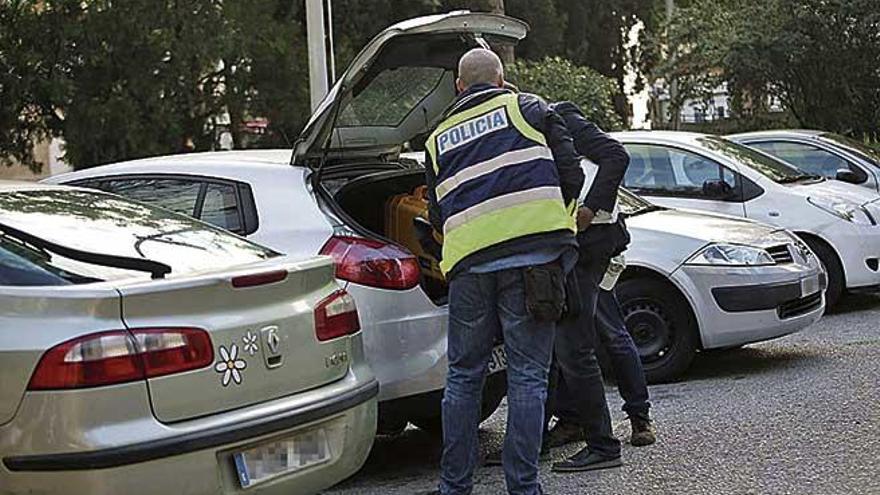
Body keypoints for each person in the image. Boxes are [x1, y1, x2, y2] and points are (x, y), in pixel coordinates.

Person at [424, 48, 584, 495]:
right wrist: (554, 225)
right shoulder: (530, 109)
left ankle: (453, 487)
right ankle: (523, 487)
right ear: (501, 79)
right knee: (528, 376)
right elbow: (571, 175)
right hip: (533, 262)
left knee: (463, 376)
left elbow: (437, 215)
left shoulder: (437, 139)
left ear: (459, 86)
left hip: (469, 267)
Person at [542, 106, 656, 453]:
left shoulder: (556, 115)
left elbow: (615, 156)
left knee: (606, 332)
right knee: (565, 338)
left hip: (594, 242)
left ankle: (638, 417)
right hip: (566, 242)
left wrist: (589, 209)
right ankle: (572, 419)